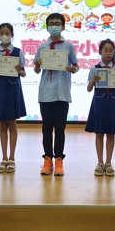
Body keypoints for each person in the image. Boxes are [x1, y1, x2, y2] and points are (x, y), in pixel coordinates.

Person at [34, 13, 79, 176]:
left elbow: (76, 65)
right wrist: (38, 65)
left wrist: (74, 69)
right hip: (46, 92)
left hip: (61, 92)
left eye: (57, 23)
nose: (54, 26)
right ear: (47, 27)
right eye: (51, 24)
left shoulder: (68, 46)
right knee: (46, 127)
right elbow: (37, 70)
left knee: (60, 128)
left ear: (63, 27)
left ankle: (59, 159)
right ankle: (48, 159)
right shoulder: (42, 47)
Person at [0, 23, 27, 173]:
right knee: (2, 124)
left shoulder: (17, 52)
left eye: (7, 33)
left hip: (13, 89)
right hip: (0, 89)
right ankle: (4, 157)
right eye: (2, 33)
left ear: (12, 35)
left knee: (12, 123)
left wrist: (19, 70)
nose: (4, 35)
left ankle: (12, 158)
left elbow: (24, 74)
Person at [85, 39, 115, 176]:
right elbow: (89, 89)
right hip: (99, 104)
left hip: (113, 104)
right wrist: (93, 81)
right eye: (105, 51)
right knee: (99, 133)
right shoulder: (95, 69)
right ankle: (100, 162)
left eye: (111, 51)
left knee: (111, 133)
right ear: (100, 52)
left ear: (114, 52)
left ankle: (109, 162)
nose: (108, 53)